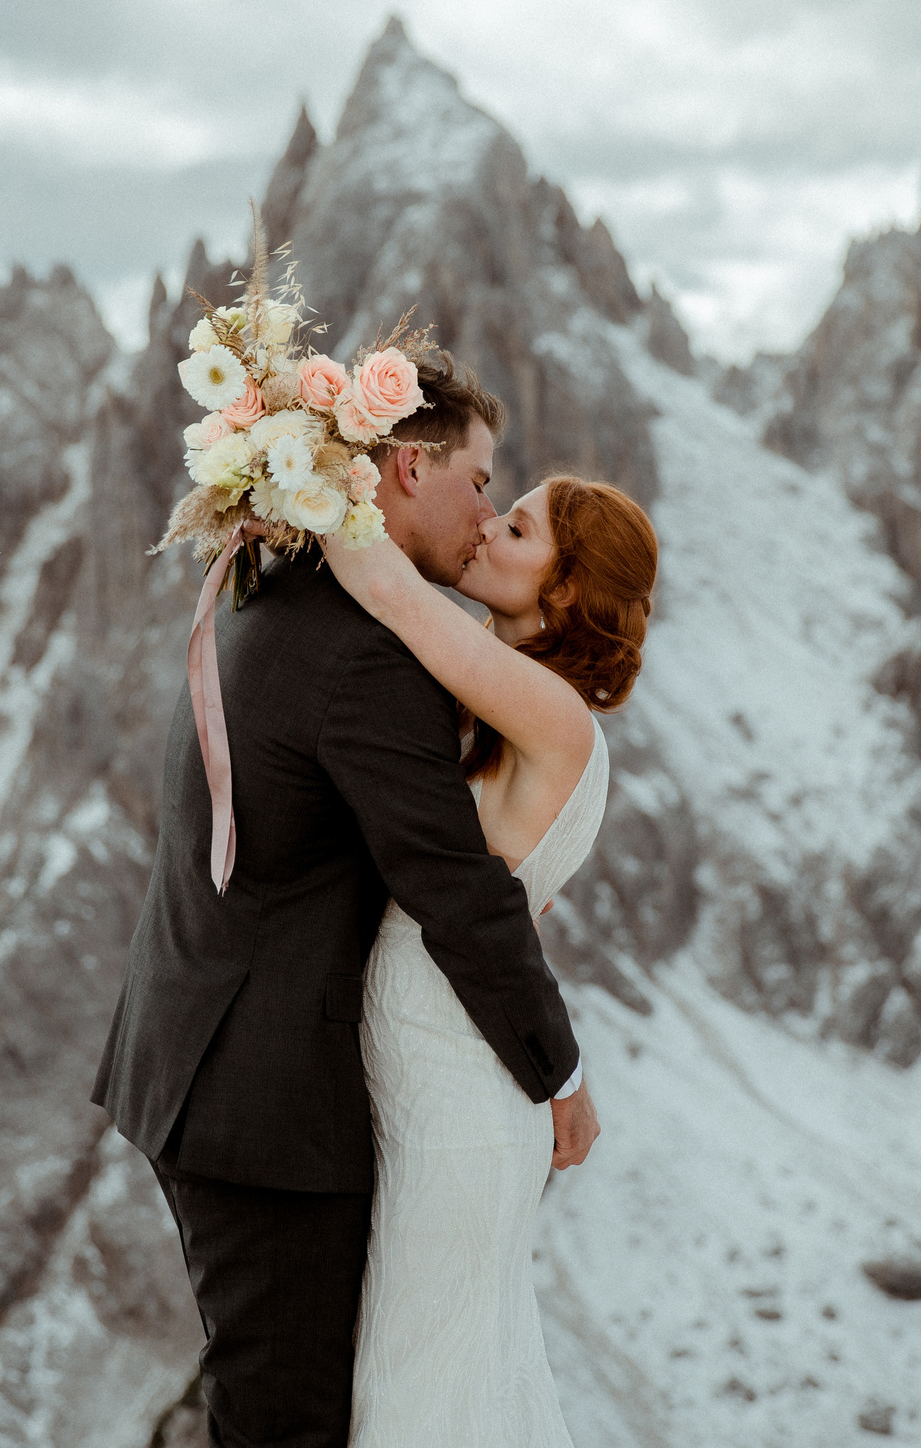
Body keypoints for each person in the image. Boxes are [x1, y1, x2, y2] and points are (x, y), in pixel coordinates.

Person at [91, 356, 598, 1446]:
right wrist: (557, 1071)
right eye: (479, 482)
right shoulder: (367, 656)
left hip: (203, 1055)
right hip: (264, 1105)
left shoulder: (275, 582)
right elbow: (455, 889)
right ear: (407, 467)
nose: (483, 513)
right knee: (284, 1423)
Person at [324, 469, 655, 1447]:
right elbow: (517, 923)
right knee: (437, 1390)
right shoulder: (518, 718)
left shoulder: (551, 718)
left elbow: (385, 588)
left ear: (561, 592)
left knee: (416, 1398)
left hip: (454, 1114)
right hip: (447, 1089)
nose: (486, 531)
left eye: (515, 528)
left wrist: (309, 461)